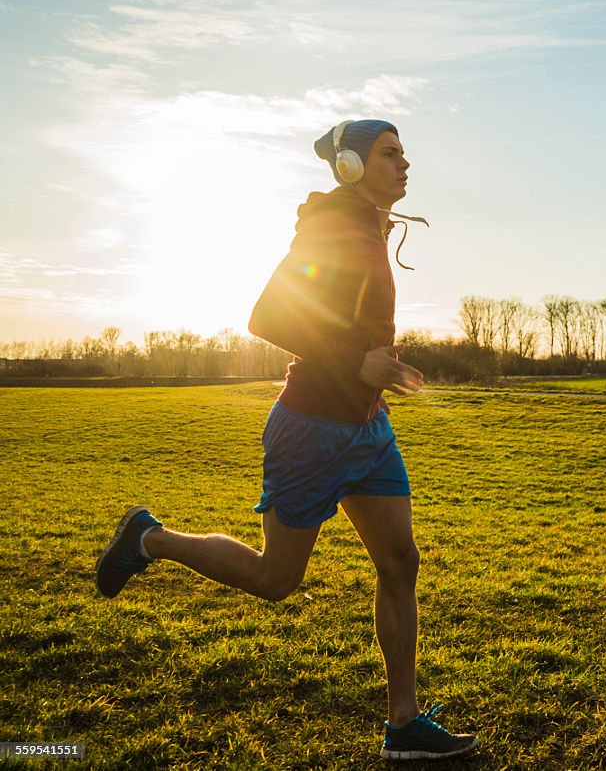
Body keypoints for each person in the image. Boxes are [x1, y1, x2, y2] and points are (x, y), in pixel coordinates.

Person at [95, 119, 478, 762]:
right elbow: (268, 314)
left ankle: (403, 722)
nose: (405, 165)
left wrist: (372, 369)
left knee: (400, 562)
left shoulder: (370, 229)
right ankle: (147, 537)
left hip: (367, 427)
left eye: (405, 154)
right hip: (312, 428)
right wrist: (357, 359)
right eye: (390, 154)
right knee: (276, 579)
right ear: (351, 166)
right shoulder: (331, 227)